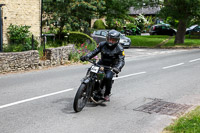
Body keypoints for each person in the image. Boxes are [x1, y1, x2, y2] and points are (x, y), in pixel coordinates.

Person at [80, 30, 125, 101]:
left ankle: (107, 94)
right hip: (101, 63)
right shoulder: (102, 44)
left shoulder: (119, 49)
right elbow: (94, 52)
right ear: (107, 38)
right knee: (91, 70)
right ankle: (86, 85)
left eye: (113, 40)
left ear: (117, 40)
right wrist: (86, 56)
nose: (111, 41)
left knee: (108, 77)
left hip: (111, 66)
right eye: (109, 39)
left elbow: (121, 61)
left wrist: (117, 68)